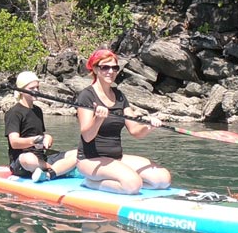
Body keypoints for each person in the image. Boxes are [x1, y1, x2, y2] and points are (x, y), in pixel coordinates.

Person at [73, 49, 171, 195]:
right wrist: (98, 118)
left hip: (116, 158)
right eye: (105, 67)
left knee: (162, 179)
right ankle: (91, 182)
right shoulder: (86, 96)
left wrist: (148, 126)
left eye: (114, 68)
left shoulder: (119, 96)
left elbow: (135, 131)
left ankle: (122, 181)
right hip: (90, 160)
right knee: (132, 185)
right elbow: (87, 136)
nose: (110, 71)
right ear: (95, 69)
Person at [5, 71, 78, 183]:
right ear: (22, 90)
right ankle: (58, 169)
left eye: (37, 87)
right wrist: (34, 141)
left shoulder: (38, 111)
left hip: (41, 157)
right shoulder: (14, 113)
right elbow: (14, 143)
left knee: (79, 153)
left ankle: (50, 172)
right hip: (22, 162)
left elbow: (41, 135)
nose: (36, 91)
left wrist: (47, 138)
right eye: (32, 88)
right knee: (28, 158)